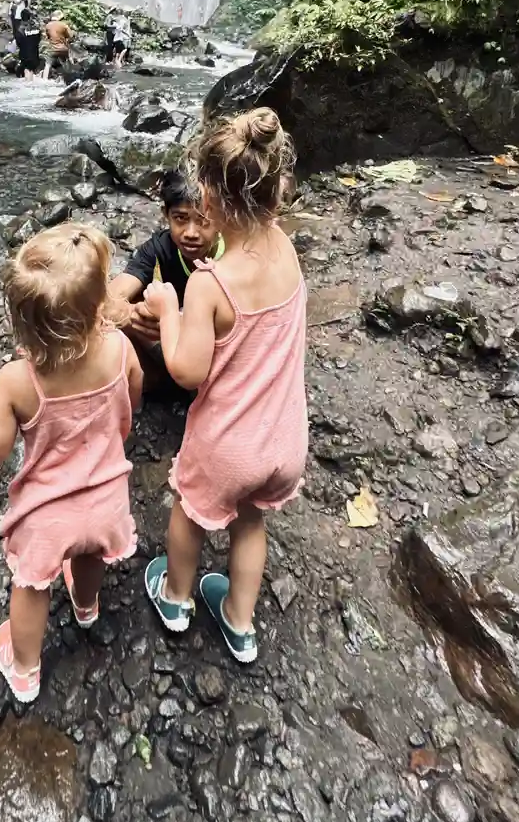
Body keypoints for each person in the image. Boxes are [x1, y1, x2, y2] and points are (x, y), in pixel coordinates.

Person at [142, 108, 307, 664]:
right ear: (277, 194)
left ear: (208, 202)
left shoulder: (212, 284)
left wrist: (168, 308)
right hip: (284, 442)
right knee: (250, 519)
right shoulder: (285, 248)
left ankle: (177, 597)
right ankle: (240, 622)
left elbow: (188, 370)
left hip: (226, 447)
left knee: (189, 512)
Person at [0, 225, 143, 702]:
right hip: (106, 496)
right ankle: (86, 607)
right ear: (97, 304)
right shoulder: (120, 350)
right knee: (88, 555)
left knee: (31, 586)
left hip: (47, 514)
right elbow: (135, 394)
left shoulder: (17, 380)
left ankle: (24, 668)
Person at [108, 170, 222, 395]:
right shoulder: (160, 248)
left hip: (219, 355)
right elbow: (107, 300)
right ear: (165, 214)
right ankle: (156, 385)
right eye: (180, 218)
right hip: (175, 349)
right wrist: (131, 313)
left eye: (203, 221)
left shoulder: (233, 258)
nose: (191, 233)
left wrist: (172, 320)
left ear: (221, 218)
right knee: (122, 314)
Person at [42, 11, 75, 80]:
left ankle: (44, 80)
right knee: (67, 62)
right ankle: (70, 77)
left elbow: (47, 36)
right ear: (59, 17)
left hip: (52, 49)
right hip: (63, 49)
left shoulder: (48, 25)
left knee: (47, 65)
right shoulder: (63, 25)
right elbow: (71, 36)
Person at [16, 6, 43, 79]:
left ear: (21, 17)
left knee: (27, 70)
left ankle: (28, 85)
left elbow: (18, 42)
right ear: (29, 17)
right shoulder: (36, 28)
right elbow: (39, 39)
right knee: (32, 70)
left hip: (25, 54)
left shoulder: (20, 29)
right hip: (35, 54)